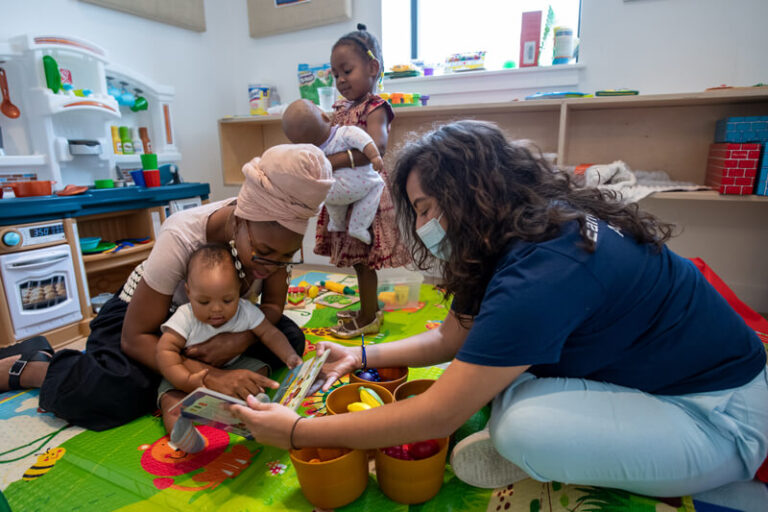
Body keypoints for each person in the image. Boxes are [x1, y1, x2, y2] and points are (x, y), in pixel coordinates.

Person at [231, 121, 768, 498]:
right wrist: (361, 354)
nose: (424, 227)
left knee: (517, 428)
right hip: (654, 380)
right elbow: (451, 339)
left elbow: (440, 414)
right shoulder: (517, 234)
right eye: (418, 212)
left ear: (471, 193)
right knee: (491, 378)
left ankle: (528, 446)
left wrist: (297, 432)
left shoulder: (546, 268)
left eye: (427, 209)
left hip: (718, 418)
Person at [0, 144, 333, 431]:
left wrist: (237, 340)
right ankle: (32, 368)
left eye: (286, 257)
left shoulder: (273, 245)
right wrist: (209, 376)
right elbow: (135, 338)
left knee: (290, 337)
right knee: (110, 391)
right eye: (264, 253)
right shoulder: (181, 234)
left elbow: (272, 308)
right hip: (149, 320)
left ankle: (173, 382)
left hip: (221, 318)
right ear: (240, 221)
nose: (271, 266)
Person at [157, 243, 303, 452]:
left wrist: (289, 356)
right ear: (188, 292)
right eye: (204, 302)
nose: (216, 309)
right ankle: (182, 433)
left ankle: (253, 401)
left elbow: (269, 333)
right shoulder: (185, 316)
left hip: (234, 365)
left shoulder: (245, 310)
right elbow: (165, 351)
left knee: (259, 368)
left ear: (239, 291)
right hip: (189, 372)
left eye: (227, 300)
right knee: (170, 398)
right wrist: (185, 380)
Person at [313, 23, 410, 339]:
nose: (341, 80)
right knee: (357, 259)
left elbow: (376, 147)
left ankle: (370, 316)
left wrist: (331, 163)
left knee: (365, 260)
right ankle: (367, 306)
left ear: (372, 68)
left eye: (347, 71)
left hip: (366, 195)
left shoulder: (375, 108)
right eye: (335, 74)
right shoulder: (341, 109)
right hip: (344, 193)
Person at [282, 98, 384, 245]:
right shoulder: (344, 132)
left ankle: (337, 223)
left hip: (327, 193)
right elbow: (364, 141)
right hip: (354, 186)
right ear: (325, 116)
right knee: (377, 184)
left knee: (331, 197)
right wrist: (374, 156)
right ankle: (358, 226)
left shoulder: (311, 153)